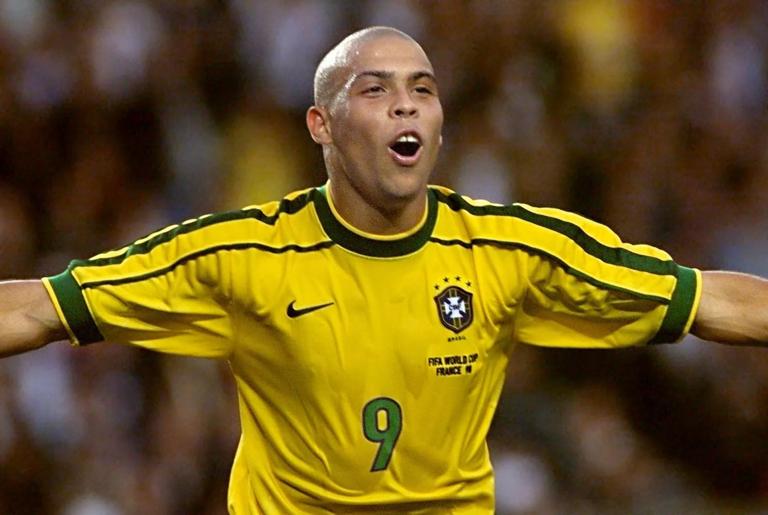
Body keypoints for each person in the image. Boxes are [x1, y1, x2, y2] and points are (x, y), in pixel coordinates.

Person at [2, 25, 768, 514]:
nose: (406, 105)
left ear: (439, 127)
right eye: (376, 89)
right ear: (322, 126)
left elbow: (707, 300)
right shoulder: (239, 257)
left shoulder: (510, 249)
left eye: (423, 91)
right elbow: (40, 307)